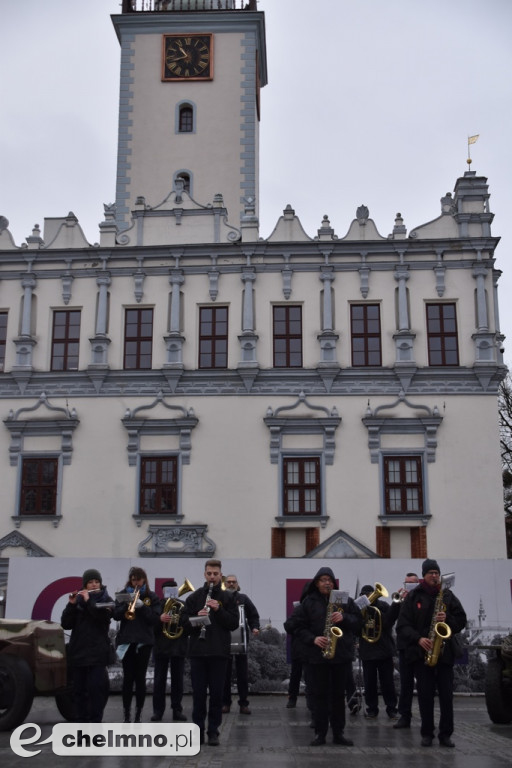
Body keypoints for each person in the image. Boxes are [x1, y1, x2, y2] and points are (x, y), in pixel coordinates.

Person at [396, 558, 467, 748]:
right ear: (424, 576)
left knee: (446, 696)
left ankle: (446, 734)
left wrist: (448, 619)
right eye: (430, 573)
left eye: (436, 573)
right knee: (425, 696)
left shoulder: (448, 595)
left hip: (445, 653)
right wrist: (419, 639)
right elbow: (402, 626)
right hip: (422, 653)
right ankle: (427, 733)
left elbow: (461, 620)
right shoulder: (413, 597)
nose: (434, 576)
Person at [289, 566, 362, 746]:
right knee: (319, 696)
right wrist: (313, 639)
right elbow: (292, 625)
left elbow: (359, 622)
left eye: (330, 580)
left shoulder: (345, 601)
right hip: (317, 656)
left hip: (341, 656)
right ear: (316, 583)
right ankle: (320, 733)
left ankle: (338, 733)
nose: (327, 583)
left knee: (339, 696)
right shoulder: (308, 602)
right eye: (323, 580)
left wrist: (344, 618)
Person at [180, 559, 239, 746]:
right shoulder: (194, 597)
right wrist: (197, 618)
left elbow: (233, 623)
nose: (212, 577)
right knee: (198, 695)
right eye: (209, 573)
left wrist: (218, 609)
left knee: (216, 695)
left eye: (215, 574)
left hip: (219, 653)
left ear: (220, 575)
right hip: (198, 652)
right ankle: (197, 731)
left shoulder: (228, 598)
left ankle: (213, 731)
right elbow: (184, 625)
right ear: (204, 574)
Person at [60, 567, 113, 722]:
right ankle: (82, 730)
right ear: (85, 585)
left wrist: (89, 602)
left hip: (97, 655)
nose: (94, 585)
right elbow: (66, 624)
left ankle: (96, 729)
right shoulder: (77, 602)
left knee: (96, 692)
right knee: (79, 693)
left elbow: (102, 619)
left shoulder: (106, 600)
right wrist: (71, 604)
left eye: (97, 582)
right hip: (79, 654)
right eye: (90, 582)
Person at [113, 566, 161, 723]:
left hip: (144, 642)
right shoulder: (122, 595)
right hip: (127, 641)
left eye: (139, 580)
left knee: (140, 678)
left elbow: (155, 619)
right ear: (130, 580)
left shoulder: (151, 596)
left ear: (144, 580)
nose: (136, 583)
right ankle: (127, 715)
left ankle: (138, 714)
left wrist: (142, 606)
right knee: (128, 678)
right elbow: (116, 615)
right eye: (133, 579)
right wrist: (128, 604)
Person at [357, 584, 398, 720]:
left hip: (384, 650)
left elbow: (388, 623)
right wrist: (363, 621)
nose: (369, 597)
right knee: (369, 683)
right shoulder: (358, 607)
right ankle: (372, 708)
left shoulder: (383, 606)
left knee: (388, 682)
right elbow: (355, 627)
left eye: (370, 594)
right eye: (365, 595)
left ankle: (391, 708)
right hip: (367, 651)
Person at [222, 574, 260, 715]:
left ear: (237, 584)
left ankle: (243, 704)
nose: (231, 584)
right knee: (224, 675)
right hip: (224, 642)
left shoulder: (243, 599)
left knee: (242, 675)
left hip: (241, 641)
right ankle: (225, 703)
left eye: (234, 582)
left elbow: (253, 615)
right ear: (225, 584)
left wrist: (254, 627)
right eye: (229, 582)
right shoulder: (220, 598)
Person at [151, 579, 188, 723]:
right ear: (163, 592)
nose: (170, 593)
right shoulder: (157, 606)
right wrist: (160, 619)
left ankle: (177, 710)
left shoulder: (183, 605)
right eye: (168, 590)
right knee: (159, 681)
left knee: (178, 681)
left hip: (178, 647)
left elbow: (187, 624)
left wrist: (178, 619)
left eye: (173, 590)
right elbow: (151, 626)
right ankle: (158, 711)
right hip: (161, 647)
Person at [393, 572, 420, 729]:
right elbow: (392, 620)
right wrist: (398, 602)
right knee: (406, 683)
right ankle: (404, 716)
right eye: (406, 583)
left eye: (412, 583)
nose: (408, 586)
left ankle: (426, 716)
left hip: (420, 645)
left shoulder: (422, 598)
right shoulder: (401, 600)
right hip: (405, 646)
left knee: (424, 683)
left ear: (417, 584)